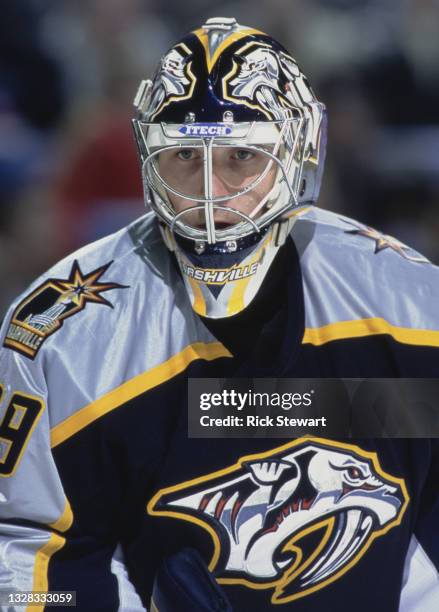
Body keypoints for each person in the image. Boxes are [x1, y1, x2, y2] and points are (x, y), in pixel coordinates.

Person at [0, 16, 438, 612]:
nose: (212, 195)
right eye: (183, 155)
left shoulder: (409, 304)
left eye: (241, 156)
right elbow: (26, 560)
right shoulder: (61, 339)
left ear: (298, 153)